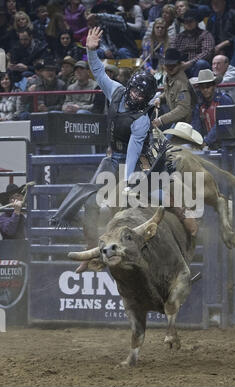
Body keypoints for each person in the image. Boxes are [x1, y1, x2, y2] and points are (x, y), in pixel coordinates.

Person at [51, 26, 158, 272]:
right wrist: (91, 51)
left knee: (112, 209)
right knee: (89, 204)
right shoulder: (117, 92)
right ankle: (92, 253)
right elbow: (99, 72)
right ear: (129, 86)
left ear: (146, 97)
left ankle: (124, 255)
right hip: (111, 159)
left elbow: (133, 152)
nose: (136, 94)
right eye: (135, 89)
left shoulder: (141, 120)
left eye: (141, 93)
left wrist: (129, 180)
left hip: (129, 164)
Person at [152, 48, 196, 130]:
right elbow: (170, 92)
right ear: (164, 65)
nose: (170, 68)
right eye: (168, 65)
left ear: (179, 64)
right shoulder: (169, 77)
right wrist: (160, 99)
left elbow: (183, 109)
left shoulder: (180, 83)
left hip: (189, 124)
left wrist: (161, 120)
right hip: (179, 122)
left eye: (173, 65)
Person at [191, 69, 234, 149]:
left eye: (208, 86)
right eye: (202, 87)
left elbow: (222, 125)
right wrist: (196, 141)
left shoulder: (224, 100)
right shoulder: (199, 104)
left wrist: (206, 141)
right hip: (211, 145)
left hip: (228, 145)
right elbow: (196, 124)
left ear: (214, 85)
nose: (205, 90)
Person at [206, 0, 235, 79]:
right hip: (217, 50)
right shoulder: (211, 18)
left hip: (233, 48)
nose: (214, 4)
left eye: (217, 2)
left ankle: (231, 74)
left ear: (224, 2)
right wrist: (216, 48)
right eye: (212, 2)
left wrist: (224, 43)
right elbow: (208, 37)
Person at [170, 9, 214, 78]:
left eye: (190, 21)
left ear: (196, 22)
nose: (188, 23)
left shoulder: (205, 34)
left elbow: (207, 52)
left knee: (201, 63)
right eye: (186, 22)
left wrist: (190, 63)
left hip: (197, 66)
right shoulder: (178, 37)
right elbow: (172, 52)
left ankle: (197, 87)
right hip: (181, 67)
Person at [141, 17, 169, 83]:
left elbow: (169, 61)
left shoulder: (169, 44)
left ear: (165, 30)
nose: (160, 29)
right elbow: (145, 61)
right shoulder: (148, 43)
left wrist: (163, 71)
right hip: (150, 72)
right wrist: (151, 70)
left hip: (165, 71)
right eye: (157, 27)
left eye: (162, 28)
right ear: (153, 29)